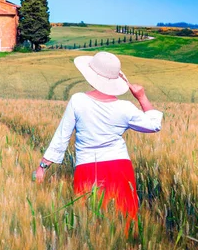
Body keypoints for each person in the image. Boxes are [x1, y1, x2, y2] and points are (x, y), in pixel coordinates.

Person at [34, 51, 163, 220]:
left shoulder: (78, 100)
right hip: (121, 169)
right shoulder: (125, 107)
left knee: (89, 223)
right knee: (124, 223)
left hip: (88, 168)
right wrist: (141, 97)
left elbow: (62, 136)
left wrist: (43, 167)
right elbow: (154, 124)